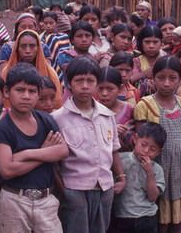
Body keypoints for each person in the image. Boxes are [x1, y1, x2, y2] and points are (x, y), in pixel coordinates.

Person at [0, 63, 69, 233]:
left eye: (32, 91)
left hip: (45, 199)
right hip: (14, 200)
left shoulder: (45, 120)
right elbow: (7, 170)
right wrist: (46, 152)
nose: (26, 96)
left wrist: (26, 154)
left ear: (38, 94)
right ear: (6, 92)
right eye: (20, 90)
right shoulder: (3, 128)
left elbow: (63, 151)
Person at [52, 55, 126, 233]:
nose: (85, 85)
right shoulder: (57, 118)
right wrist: (64, 192)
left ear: (96, 84)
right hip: (74, 190)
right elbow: (53, 162)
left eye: (90, 80)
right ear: (69, 84)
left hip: (104, 188)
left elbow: (114, 150)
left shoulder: (107, 116)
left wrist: (121, 177)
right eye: (79, 80)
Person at [134, 55, 181, 232]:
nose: (167, 83)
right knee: (159, 221)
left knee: (177, 221)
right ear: (153, 78)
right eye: (161, 78)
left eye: (172, 78)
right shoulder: (145, 105)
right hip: (156, 171)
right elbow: (141, 145)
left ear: (180, 79)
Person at [107, 122, 166, 233]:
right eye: (143, 144)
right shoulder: (120, 160)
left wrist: (150, 173)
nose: (146, 151)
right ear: (135, 139)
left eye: (153, 149)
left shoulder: (157, 169)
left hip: (147, 218)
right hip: (122, 217)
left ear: (159, 152)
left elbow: (153, 197)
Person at [2, 30, 62, 109]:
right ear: (17, 48)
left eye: (32, 46)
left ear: (39, 48)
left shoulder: (50, 73)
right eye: (23, 46)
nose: (28, 51)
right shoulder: (7, 72)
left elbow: (56, 101)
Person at [97, 67, 135, 152]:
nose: (104, 93)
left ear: (120, 89)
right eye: (100, 88)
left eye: (110, 89)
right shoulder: (92, 110)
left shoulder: (130, 110)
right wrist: (111, 130)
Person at [57, 20, 95, 88]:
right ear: (72, 40)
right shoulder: (66, 56)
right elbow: (70, 75)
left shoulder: (94, 56)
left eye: (87, 36)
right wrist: (95, 62)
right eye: (79, 36)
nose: (84, 39)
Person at [130, 25, 165, 98]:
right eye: (147, 42)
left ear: (161, 42)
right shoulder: (136, 61)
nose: (151, 46)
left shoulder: (165, 59)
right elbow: (130, 81)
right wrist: (144, 74)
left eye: (155, 42)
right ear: (141, 42)